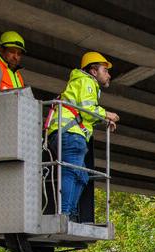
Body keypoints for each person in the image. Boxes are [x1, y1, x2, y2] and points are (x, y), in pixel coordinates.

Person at [46, 52, 120, 222]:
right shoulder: (87, 82)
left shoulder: (80, 81)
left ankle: (68, 212)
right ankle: (65, 213)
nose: (108, 74)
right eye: (105, 70)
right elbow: (88, 109)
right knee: (72, 172)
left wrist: (103, 119)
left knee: (82, 176)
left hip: (68, 132)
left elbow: (83, 112)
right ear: (94, 71)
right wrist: (108, 115)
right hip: (71, 134)